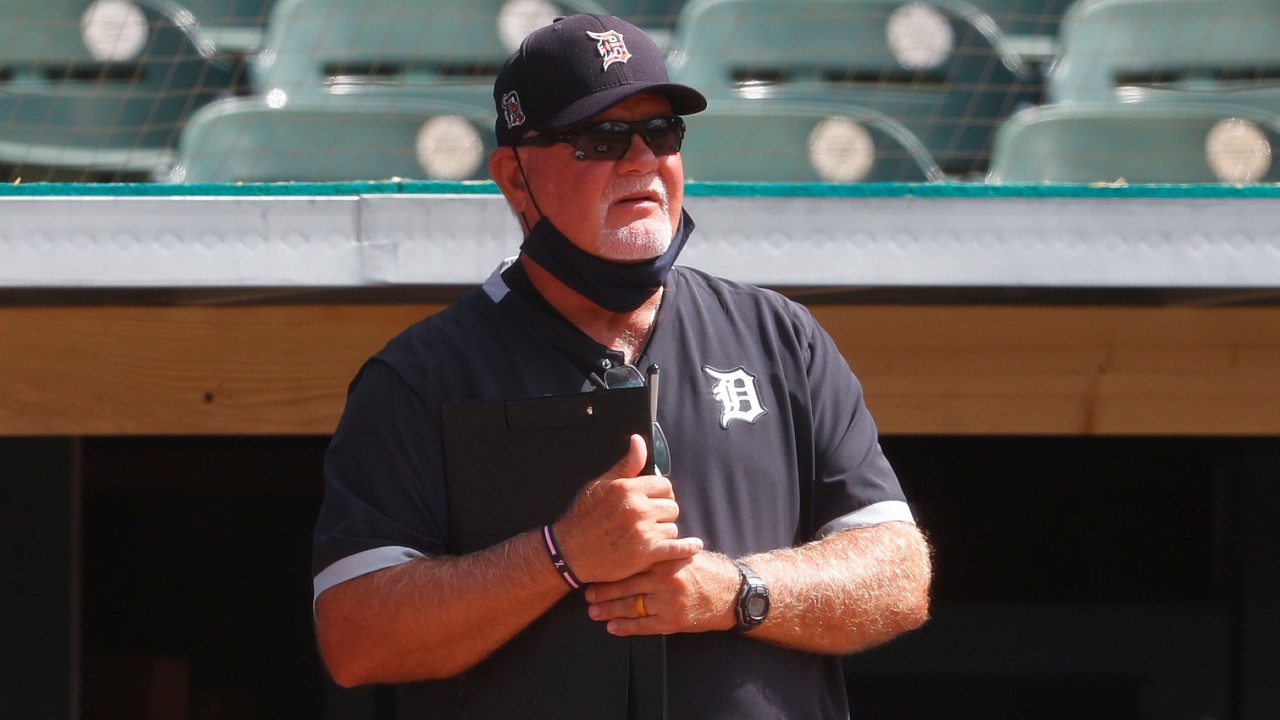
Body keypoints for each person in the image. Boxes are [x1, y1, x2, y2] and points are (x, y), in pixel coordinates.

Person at [312, 13, 931, 719]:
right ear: (515, 178)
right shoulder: (421, 376)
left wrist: (732, 593)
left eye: (661, 133)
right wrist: (560, 553)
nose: (641, 160)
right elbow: (355, 637)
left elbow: (900, 575)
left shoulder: (779, 336)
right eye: (600, 138)